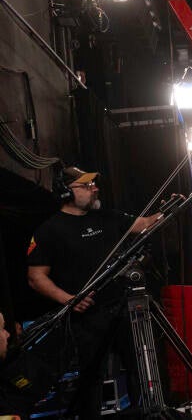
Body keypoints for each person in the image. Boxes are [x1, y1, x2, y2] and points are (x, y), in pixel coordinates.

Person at [25, 166, 161, 419]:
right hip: (86, 318)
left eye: (94, 184)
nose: (95, 189)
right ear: (66, 192)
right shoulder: (49, 230)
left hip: (123, 308)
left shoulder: (107, 216)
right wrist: (69, 300)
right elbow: (36, 277)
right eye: (86, 186)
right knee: (91, 379)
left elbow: (144, 224)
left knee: (138, 369)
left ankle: (144, 416)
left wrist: (170, 209)